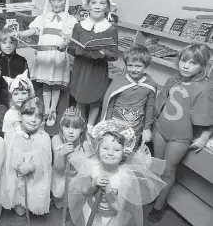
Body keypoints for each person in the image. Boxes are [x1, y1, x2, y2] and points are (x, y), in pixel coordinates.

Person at [148, 44, 213, 222]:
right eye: (184, 61)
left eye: (193, 63)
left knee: (168, 171)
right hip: (160, 130)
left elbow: (207, 114)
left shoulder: (205, 87)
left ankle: (159, 205)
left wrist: (205, 136)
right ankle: (154, 193)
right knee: (156, 166)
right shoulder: (172, 79)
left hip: (180, 137)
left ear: (203, 66)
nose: (186, 66)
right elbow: (160, 103)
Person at [68, 120, 166, 226]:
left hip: (110, 219)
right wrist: (94, 184)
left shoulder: (124, 178)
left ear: (124, 153)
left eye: (117, 150)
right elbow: (85, 193)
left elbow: (118, 207)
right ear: (98, 150)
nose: (110, 153)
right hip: (90, 212)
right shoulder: (92, 168)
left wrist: (109, 190)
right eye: (105, 148)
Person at [14, 0, 78, 127]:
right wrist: (20, 33)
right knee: (46, 85)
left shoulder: (70, 19)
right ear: (49, 1)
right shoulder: (44, 17)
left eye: (60, 0)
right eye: (53, 0)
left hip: (58, 55)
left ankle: (52, 110)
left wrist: (65, 43)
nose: (56, 4)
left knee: (55, 85)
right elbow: (32, 31)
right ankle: (46, 109)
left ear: (66, 1)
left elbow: (70, 38)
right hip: (44, 55)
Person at [66, 0, 118, 132]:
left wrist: (103, 53)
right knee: (80, 99)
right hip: (81, 68)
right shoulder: (79, 26)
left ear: (107, 7)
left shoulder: (111, 29)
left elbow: (114, 54)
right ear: (88, 5)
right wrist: (78, 50)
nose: (97, 6)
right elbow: (70, 48)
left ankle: (90, 128)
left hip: (97, 70)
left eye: (102, 3)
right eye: (94, 2)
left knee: (95, 100)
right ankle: (79, 125)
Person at [0, 97, 52, 216]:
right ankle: (18, 200)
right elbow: (6, 162)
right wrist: (18, 164)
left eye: (38, 116)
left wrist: (32, 167)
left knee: (36, 206)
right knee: (20, 211)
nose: (33, 120)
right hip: (17, 181)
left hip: (35, 180)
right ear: (20, 116)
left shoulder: (44, 138)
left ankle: (32, 199)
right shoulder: (12, 135)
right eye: (29, 115)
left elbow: (46, 164)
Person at [101, 45, 157, 146]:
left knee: (129, 153)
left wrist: (147, 128)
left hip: (135, 129)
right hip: (115, 126)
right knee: (113, 148)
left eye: (138, 66)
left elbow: (150, 108)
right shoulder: (119, 81)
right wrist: (107, 124)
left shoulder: (150, 84)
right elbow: (109, 104)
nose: (133, 69)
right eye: (130, 65)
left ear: (146, 66)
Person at [51, 106, 92, 209]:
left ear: (82, 129)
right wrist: (62, 154)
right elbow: (58, 169)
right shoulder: (56, 140)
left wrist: (77, 157)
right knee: (59, 206)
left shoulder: (85, 144)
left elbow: (87, 171)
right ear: (61, 127)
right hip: (61, 176)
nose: (70, 131)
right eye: (67, 127)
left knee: (73, 206)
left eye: (75, 128)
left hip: (77, 178)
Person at [0, 28, 29, 136]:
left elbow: (27, 83)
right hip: (2, 99)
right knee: (2, 123)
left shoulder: (22, 61)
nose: (8, 45)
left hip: (19, 98)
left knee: (19, 121)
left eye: (11, 42)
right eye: (4, 42)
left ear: (16, 43)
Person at [2, 69, 34, 134]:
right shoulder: (10, 115)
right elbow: (7, 138)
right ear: (11, 97)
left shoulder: (35, 112)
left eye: (24, 93)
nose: (20, 98)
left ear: (29, 94)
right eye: (16, 94)